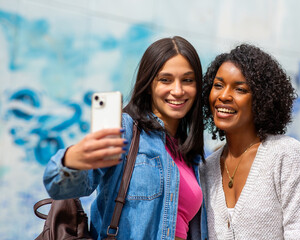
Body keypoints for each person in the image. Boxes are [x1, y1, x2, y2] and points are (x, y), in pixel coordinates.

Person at [43, 36, 208, 240]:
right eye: (165, 79)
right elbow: (58, 185)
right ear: (149, 84)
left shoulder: (193, 155)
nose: (177, 90)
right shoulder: (125, 130)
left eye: (187, 80)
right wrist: (70, 160)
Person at [200, 43, 300, 239]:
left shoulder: (286, 155)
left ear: (261, 99)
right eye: (218, 85)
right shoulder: (206, 170)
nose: (224, 96)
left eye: (240, 89)